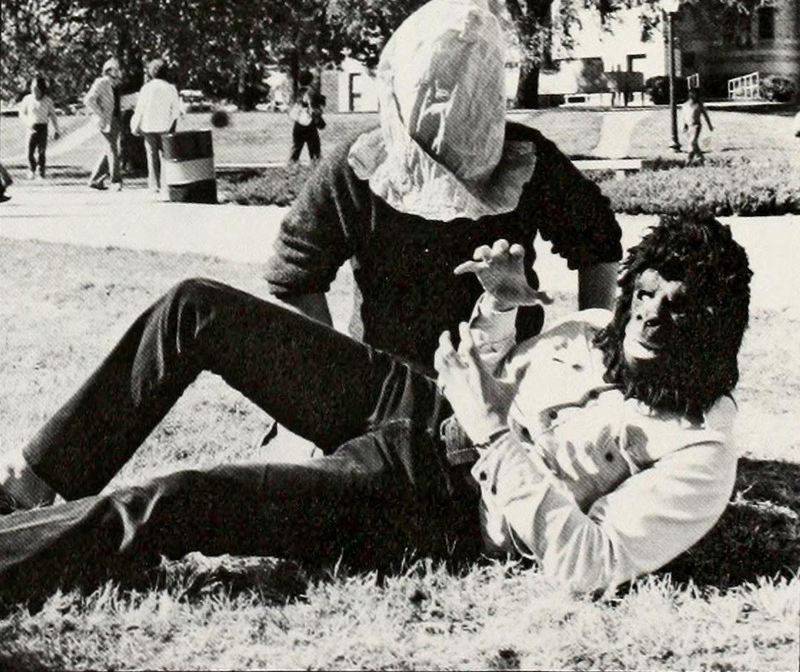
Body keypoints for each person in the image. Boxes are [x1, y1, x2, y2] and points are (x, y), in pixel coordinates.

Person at [0, 214, 751, 606]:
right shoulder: (594, 328)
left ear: (714, 329)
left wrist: (493, 436)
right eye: (644, 294)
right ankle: (32, 485)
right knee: (194, 308)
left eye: (678, 309)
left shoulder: (700, 451)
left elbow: (591, 565)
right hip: (418, 401)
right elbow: (494, 375)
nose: (649, 317)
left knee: (176, 500)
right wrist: (499, 308)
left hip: (438, 501)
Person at [266, 0, 621, 371]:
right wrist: (342, 372)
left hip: (505, 374)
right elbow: (293, 274)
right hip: (391, 380)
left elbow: (598, 239)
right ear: (406, 90)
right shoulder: (358, 165)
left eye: (466, 103)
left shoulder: (529, 158)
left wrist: (594, 348)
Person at [130, 58, 182, 194]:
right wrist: (173, 125)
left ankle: (154, 184)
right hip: (165, 125)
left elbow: (140, 108)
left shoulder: (146, 88)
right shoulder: (171, 88)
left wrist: (135, 125)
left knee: (151, 155)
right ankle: (167, 182)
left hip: (148, 125)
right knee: (166, 155)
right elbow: (175, 110)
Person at [85, 58, 124, 191]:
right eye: (114, 69)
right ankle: (116, 181)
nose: (117, 71)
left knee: (110, 149)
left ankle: (95, 179)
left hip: (116, 119)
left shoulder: (116, 84)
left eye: (118, 69)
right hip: (106, 120)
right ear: (107, 70)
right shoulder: (101, 82)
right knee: (113, 149)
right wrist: (100, 113)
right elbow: (88, 100)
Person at [18, 75, 61, 180]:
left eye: (37, 88)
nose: (34, 90)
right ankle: (31, 169)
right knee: (29, 152)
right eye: (33, 87)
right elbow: (22, 113)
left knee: (41, 152)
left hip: (43, 127)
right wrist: (27, 122)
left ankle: (41, 172)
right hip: (31, 127)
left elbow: (53, 115)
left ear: (41, 89)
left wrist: (56, 130)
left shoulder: (47, 100)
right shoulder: (27, 99)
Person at [288, 85, 325, 163]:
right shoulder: (299, 106)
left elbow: (319, 120)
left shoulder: (313, 107)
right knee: (297, 148)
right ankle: (293, 162)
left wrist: (316, 114)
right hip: (300, 126)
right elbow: (293, 115)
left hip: (310, 127)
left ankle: (315, 161)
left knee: (314, 148)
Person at [681, 89, 714, 165]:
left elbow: (706, 116)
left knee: (692, 142)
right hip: (689, 127)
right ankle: (690, 161)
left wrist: (710, 125)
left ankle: (701, 159)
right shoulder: (685, 105)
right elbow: (684, 117)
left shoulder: (699, 105)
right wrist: (684, 126)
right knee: (692, 145)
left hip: (696, 126)